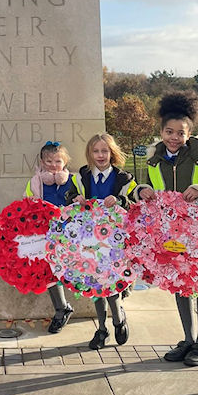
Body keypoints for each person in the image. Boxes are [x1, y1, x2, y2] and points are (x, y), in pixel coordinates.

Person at [132, 91, 198, 366]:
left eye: (180, 133)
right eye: (169, 131)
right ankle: (187, 339)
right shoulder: (154, 159)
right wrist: (142, 191)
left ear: (190, 132)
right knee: (178, 283)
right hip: (169, 232)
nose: (174, 137)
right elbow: (144, 186)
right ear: (161, 131)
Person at [66, 133, 136, 350]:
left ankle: (118, 318)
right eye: (96, 151)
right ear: (90, 153)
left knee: (111, 283)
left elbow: (134, 204)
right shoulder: (82, 176)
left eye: (104, 151)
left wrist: (121, 200)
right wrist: (75, 198)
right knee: (93, 283)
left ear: (112, 153)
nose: (100, 155)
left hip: (114, 241)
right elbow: (69, 196)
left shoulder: (124, 179)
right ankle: (102, 329)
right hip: (89, 240)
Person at [25, 141, 75, 333]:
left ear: (64, 162)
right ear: (42, 162)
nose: (53, 165)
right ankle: (61, 308)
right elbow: (27, 204)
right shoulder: (35, 182)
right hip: (46, 233)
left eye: (57, 161)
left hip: (70, 233)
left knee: (69, 270)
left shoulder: (74, 180)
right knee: (48, 271)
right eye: (49, 161)